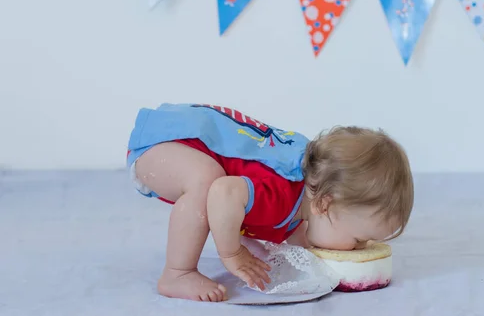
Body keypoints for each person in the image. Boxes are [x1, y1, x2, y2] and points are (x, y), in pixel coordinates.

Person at [126, 103, 414, 302]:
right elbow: (223, 196)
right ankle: (178, 273)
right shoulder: (282, 192)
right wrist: (233, 253)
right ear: (324, 205)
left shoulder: (306, 199)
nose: (360, 249)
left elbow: (258, 221)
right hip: (161, 145)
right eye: (360, 239)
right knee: (208, 182)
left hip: (177, 142)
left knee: (216, 185)